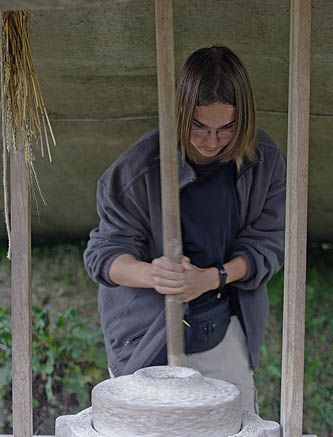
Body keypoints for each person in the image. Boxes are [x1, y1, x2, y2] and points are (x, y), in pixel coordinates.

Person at [83, 45, 286, 415]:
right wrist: (155, 274)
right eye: (199, 127)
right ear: (179, 113)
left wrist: (213, 277)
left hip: (223, 326)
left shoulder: (263, 160)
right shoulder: (136, 171)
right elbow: (102, 257)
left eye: (227, 128)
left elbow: (269, 245)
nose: (212, 142)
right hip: (146, 337)